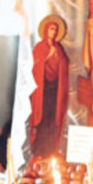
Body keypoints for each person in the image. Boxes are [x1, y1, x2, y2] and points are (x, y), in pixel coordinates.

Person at [30, 16, 70, 157]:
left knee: (52, 119)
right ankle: (39, 150)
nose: (53, 32)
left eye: (56, 30)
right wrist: (47, 57)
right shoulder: (40, 47)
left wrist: (58, 58)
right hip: (42, 90)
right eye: (52, 29)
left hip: (54, 90)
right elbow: (35, 66)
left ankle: (51, 149)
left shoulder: (59, 49)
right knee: (42, 119)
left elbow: (64, 65)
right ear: (46, 30)